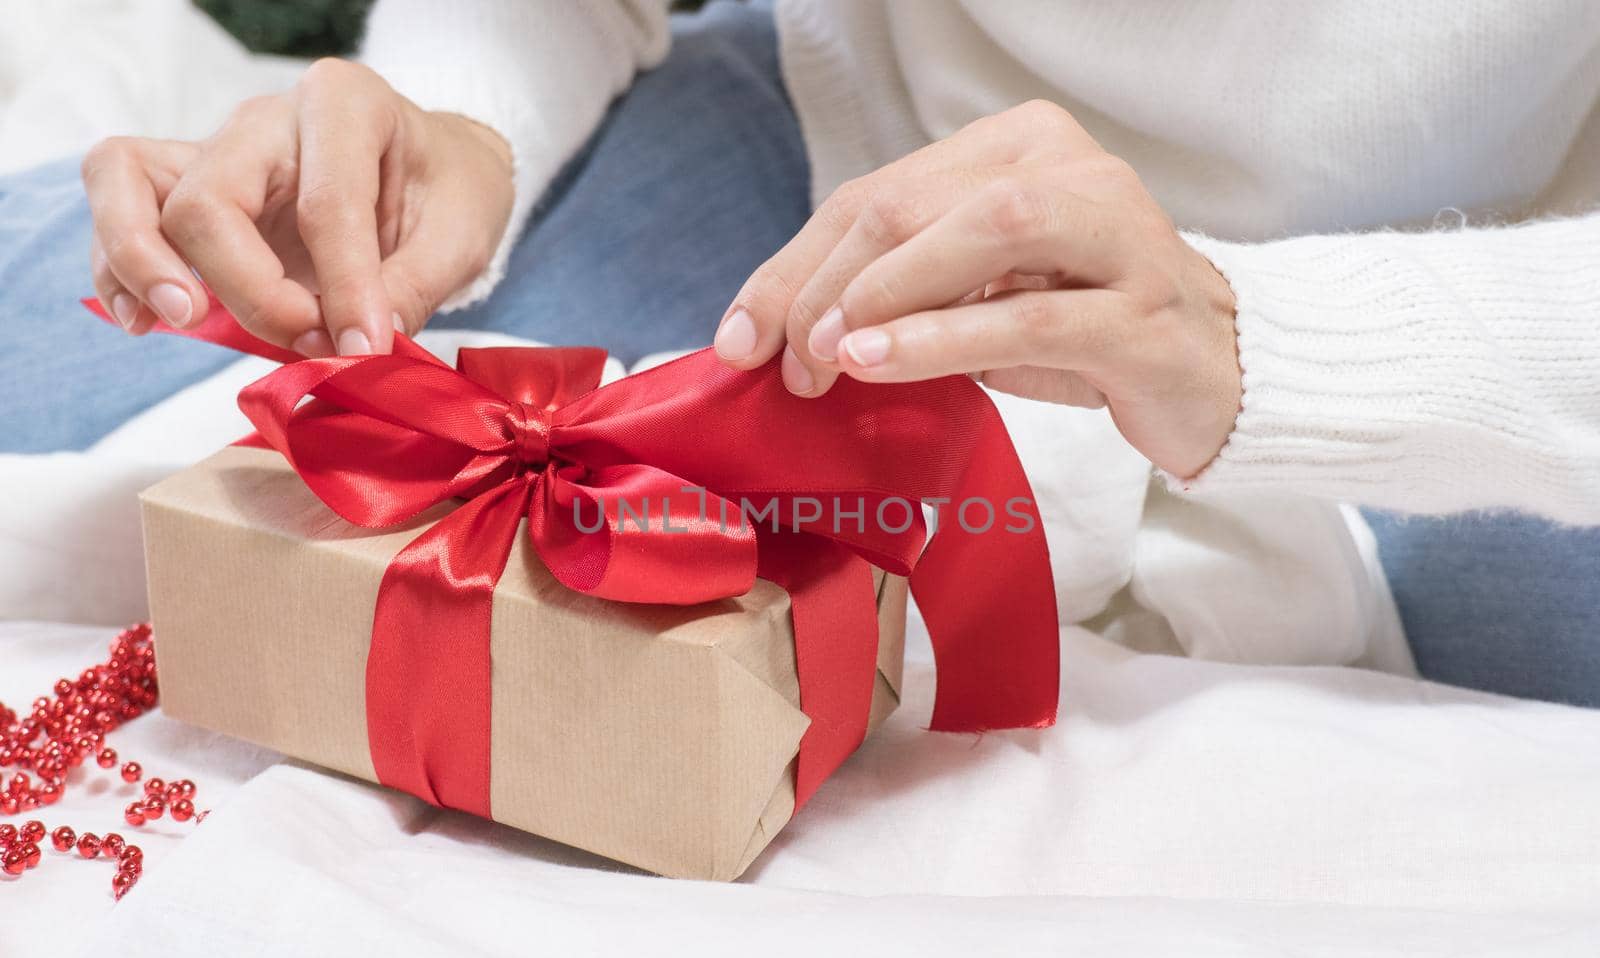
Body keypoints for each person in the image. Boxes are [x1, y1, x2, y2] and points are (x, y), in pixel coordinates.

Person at [2, 1, 1597, 699]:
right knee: (69, 319)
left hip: (1473, 278)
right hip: (842, 165)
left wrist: (1269, 353)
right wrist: (462, 123)